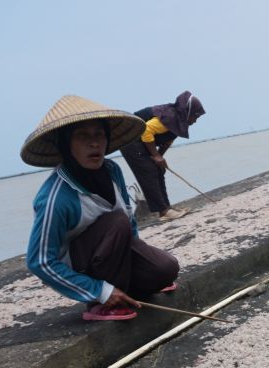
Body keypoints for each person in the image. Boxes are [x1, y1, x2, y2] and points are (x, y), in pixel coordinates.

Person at [21, 95, 180, 322]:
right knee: (116, 221)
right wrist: (99, 291)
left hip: (114, 254)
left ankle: (125, 288)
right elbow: (40, 261)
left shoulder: (112, 170)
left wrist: (146, 263)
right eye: (82, 136)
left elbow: (129, 222)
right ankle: (100, 303)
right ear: (66, 144)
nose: (94, 143)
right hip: (83, 269)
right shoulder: (56, 197)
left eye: (99, 135)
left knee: (165, 269)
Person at [119, 91, 206, 221]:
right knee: (149, 172)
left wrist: (159, 158)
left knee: (159, 169)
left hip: (143, 141)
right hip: (130, 139)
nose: (195, 121)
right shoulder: (170, 116)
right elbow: (146, 130)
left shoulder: (179, 121)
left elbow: (166, 141)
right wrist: (156, 156)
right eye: (195, 117)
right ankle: (163, 212)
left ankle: (167, 207)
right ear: (187, 112)